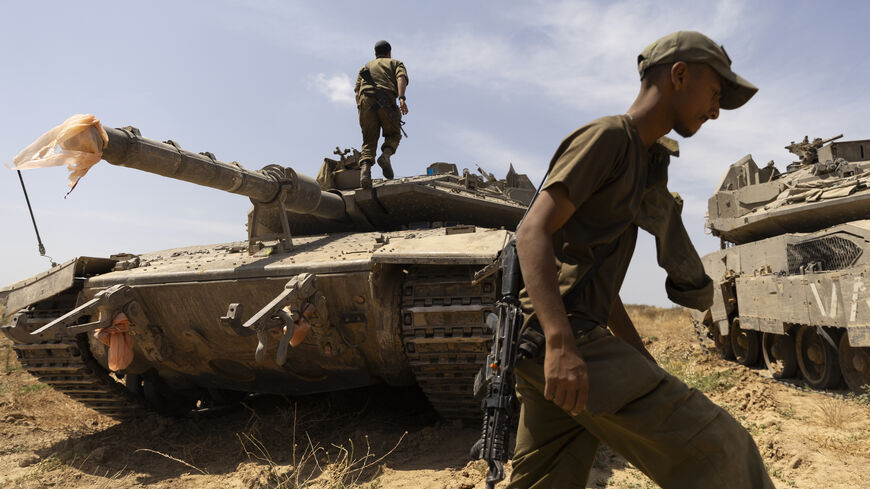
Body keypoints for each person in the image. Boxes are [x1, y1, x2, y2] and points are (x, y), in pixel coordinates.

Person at [509, 31, 773, 489]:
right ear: (679, 74)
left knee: (544, 481)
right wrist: (560, 342)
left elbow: (594, 279)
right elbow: (531, 231)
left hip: (550, 345)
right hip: (565, 341)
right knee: (724, 449)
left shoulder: (640, 161)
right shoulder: (610, 137)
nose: (713, 110)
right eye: (713, 94)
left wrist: (635, 352)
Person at [354, 40, 409, 188]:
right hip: (386, 100)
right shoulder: (395, 63)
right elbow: (401, 78)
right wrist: (402, 98)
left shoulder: (364, 68)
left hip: (365, 102)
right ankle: (385, 156)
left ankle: (365, 170)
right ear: (389, 52)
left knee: (368, 141)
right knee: (393, 134)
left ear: (375, 53)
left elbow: (357, 92)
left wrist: (361, 109)